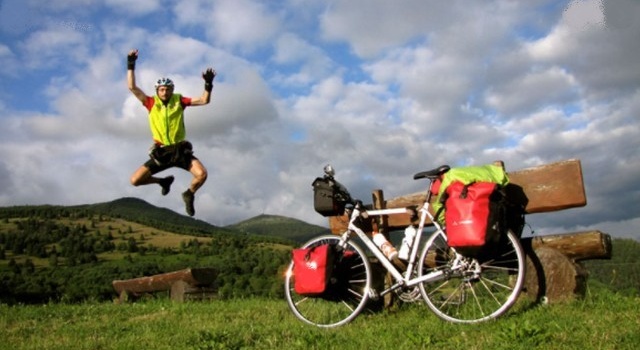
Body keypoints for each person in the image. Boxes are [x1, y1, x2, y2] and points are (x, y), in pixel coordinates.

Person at [126, 49, 216, 216]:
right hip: (162, 153)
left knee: (202, 174)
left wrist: (208, 84)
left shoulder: (179, 101)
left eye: (167, 89)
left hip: (180, 150)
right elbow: (132, 87)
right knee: (135, 180)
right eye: (161, 89)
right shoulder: (150, 103)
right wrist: (131, 64)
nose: (165, 92)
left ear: (172, 89)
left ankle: (189, 194)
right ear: (157, 91)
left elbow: (204, 100)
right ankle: (163, 181)